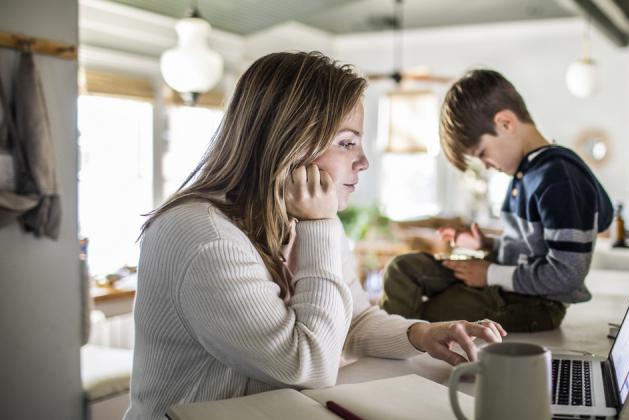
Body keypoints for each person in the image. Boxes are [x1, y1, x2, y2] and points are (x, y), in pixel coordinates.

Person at [125, 52, 505, 420]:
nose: (363, 161)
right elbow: (306, 366)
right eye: (346, 143)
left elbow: (352, 320)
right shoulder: (206, 237)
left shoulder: (304, 219)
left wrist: (422, 335)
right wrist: (320, 227)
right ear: (290, 144)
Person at [380, 69, 613, 333]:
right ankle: (394, 340)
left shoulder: (561, 178)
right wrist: (486, 244)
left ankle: (401, 355)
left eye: (482, 154)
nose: (487, 165)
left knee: (431, 314)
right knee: (402, 270)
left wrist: (490, 274)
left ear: (505, 123)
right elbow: (531, 247)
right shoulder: (527, 173)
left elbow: (567, 275)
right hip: (504, 280)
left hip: (535, 303)